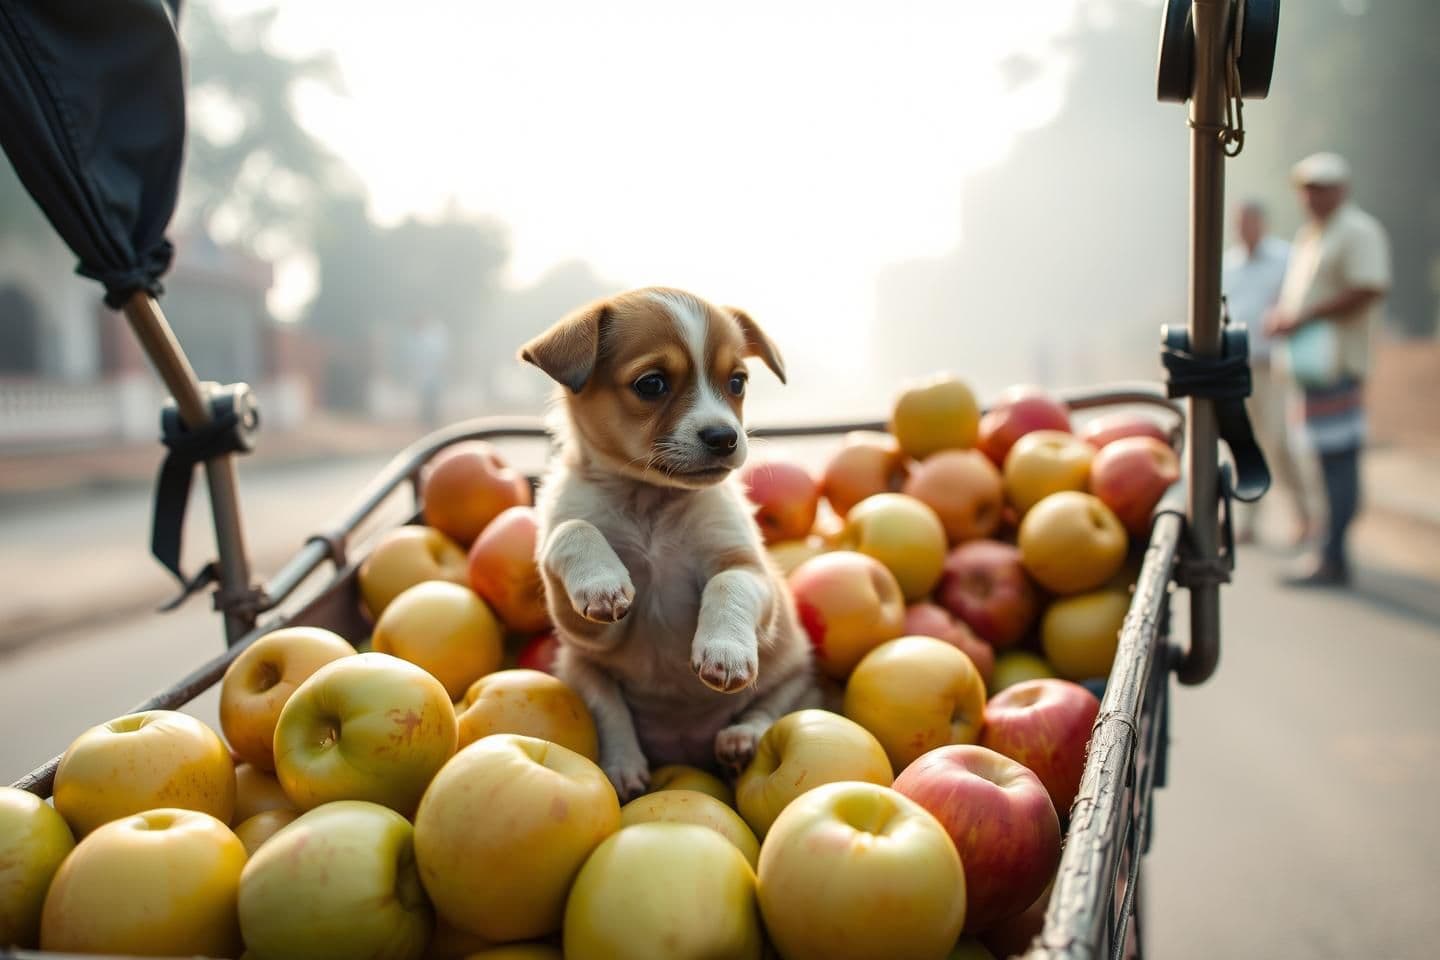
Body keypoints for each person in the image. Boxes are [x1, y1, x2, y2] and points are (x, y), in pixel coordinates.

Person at [1265, 152, 1391, 587]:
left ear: (1341, 189)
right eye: (1307, 189)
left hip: (1336, 364)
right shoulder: (1312, 235)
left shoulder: (1357, 231)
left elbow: (1369, 286)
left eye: (1320, 188)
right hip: (1311, 368)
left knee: (1336, 460)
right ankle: (1329, 549)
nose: (1311, 197)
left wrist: (1304, 317)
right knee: (1320, 460)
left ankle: (1333, 554)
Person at [1221, 199, 1311, 545]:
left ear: (1262, 223)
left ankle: (1304, 514)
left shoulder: (1285, 259)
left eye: (1250, 222)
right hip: (1239, 364)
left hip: (1274, 364)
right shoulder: (1229, 265)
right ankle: (1248, 516)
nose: (1245, 229)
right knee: (1244, 441)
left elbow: (1297, 303)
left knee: (1278, 440)